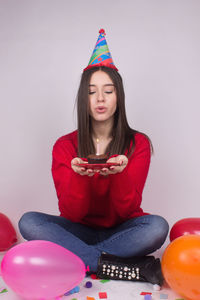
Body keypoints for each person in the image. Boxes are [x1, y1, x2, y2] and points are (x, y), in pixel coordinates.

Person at [18, 29, 169, 286]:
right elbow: (71, 213)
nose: (100, 99)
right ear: (83, 98)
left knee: (157, 227)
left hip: (122, 230)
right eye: (91, 92)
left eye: (108, 91)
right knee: (29, 222)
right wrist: (78, 178)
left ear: (118, 97)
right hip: (79, 230)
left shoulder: (138, 143)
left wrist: (119, 175)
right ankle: (117, 264)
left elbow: (126, 210)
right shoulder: (64, 146)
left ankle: (81, 258)